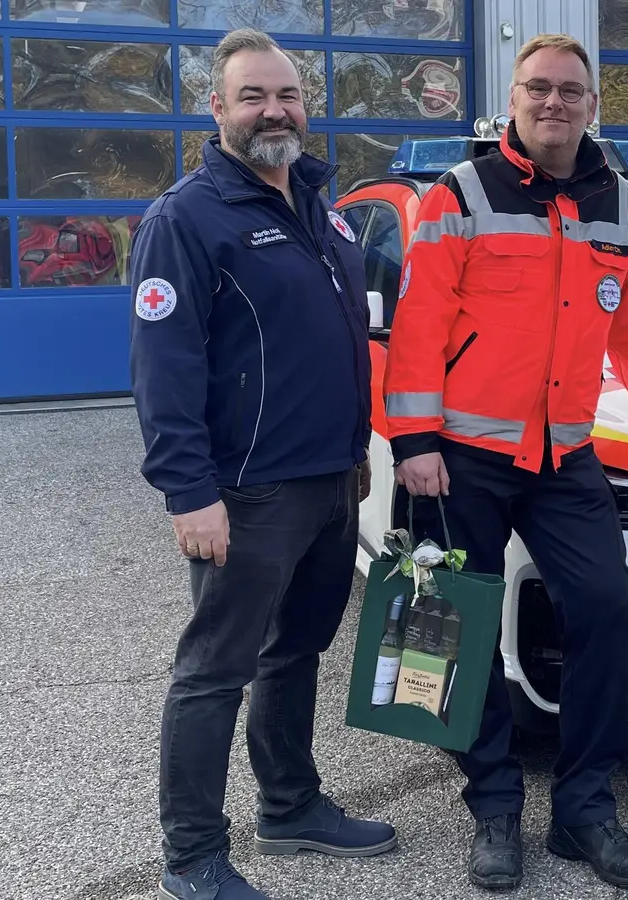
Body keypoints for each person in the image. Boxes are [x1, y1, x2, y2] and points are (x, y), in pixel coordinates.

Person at [381, 32, 628, 893]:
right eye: (537, 88)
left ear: (592, 105)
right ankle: (495, 807)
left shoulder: (622, 207)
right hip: (466, 454)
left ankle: (584, 810)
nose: (553, 102)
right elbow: (420, 322)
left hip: (565, 453)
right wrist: (415, 441)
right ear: (513, 99)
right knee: (463, 630)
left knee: (604, 611)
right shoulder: (458, 196)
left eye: (569, 90)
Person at [127, 27, 395, 900]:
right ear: (217, 108)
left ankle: (290, 807)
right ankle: (193, 854)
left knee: (297, 652)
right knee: (215, 673)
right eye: (253, 95)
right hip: (244, 495)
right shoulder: (186, 217)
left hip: (329, 482)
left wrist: (354, 455)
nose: (273, 110)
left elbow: (342, 345)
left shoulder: (323, 208)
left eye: (285, 95)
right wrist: (188, 493)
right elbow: (164, 366)